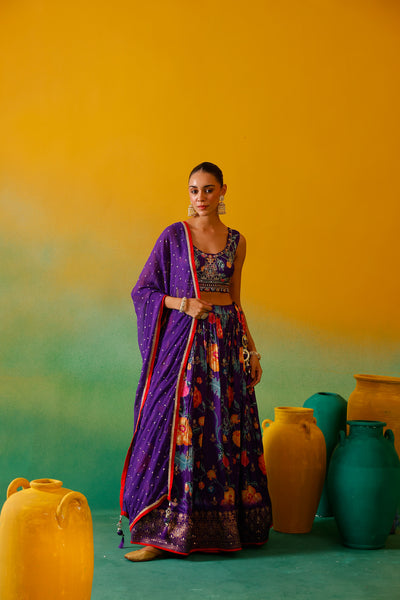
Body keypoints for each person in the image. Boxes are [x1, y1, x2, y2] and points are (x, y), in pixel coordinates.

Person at [119, 162, 272, 561]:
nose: (200, 198)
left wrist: (252, 351)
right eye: (193, 190)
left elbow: (236, 301)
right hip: (185, 343)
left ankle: (220, 530)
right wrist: (182, 303)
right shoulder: (174, 236)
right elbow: (144, 291)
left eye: (208, 189)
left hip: (226, 344)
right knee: (173, 427)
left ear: (223, 191)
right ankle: (158, 535)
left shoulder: (237, 241)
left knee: (221, 431)